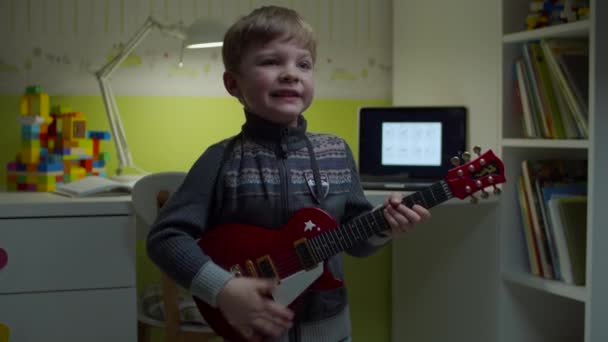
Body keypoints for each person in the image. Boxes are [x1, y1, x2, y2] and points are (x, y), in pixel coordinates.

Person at [147, 5, 431, 342]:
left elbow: (356, 240)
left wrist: (385, 226)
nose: (291, 73)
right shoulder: (220, 160)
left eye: (304, 64)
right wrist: (222, 289)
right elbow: (166, 238)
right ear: (232, 83)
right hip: (253, 329)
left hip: (330, 327)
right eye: (270, 61)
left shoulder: (336, 152)